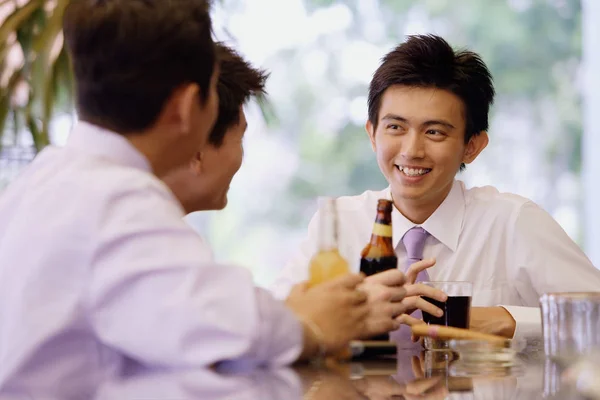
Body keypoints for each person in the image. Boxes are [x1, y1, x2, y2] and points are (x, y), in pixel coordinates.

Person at [0, 1, 404, 396]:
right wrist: (313, 327)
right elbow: (229, 328)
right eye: (212, 93)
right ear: (185, 108)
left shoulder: (41, 180)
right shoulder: (119, 199)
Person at [272, 34, 600, 342]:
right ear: (372, 133)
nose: (412, 150)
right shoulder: (339, 224)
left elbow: (595, 314)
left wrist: (503, 319)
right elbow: (275, 325)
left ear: (472, 146)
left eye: (435, 132)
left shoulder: (513, 222)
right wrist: (355, 313)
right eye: (395, 127)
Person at [162, 42, 447, 332]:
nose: (412, 150)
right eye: (241, 137)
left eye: (434, 132)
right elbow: (231, 338)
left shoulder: (168, 240)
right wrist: (344, 316)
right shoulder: (155, 246)